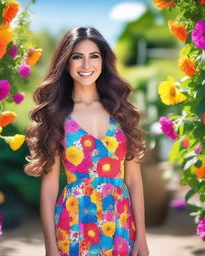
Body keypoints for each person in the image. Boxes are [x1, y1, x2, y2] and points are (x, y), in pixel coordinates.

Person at [24, 26, 149, 256]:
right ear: (66, 62)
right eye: (77, 57)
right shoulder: (57, 115)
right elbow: (49, 188)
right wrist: (50, 248)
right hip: (73, 224)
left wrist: (141, 236)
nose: (86, 65)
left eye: (94, 56)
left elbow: (133, 180)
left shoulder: (121, 112)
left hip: (120, 224)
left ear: (103, 61)